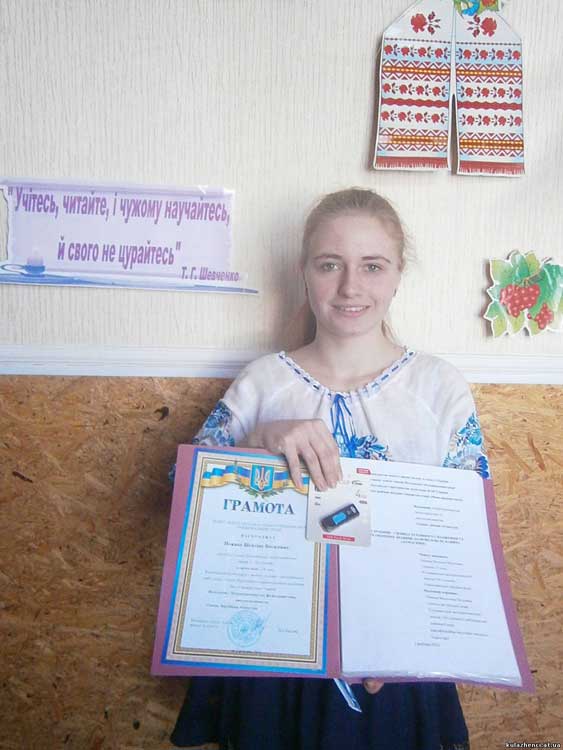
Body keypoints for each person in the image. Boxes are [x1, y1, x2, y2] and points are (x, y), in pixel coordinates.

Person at [171, 187, 489, 750]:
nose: (350, 287)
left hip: (394, 658)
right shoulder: (264, 382)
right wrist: (258, 440)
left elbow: (464, 540)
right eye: (329, 265)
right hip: (271, 653)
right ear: (304, 272)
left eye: (372, 266)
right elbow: (181, 496)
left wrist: (410, 641)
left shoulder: (439, 388)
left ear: (398, 275)